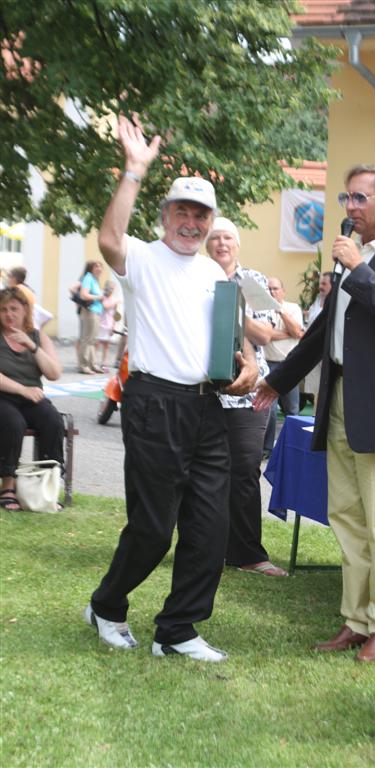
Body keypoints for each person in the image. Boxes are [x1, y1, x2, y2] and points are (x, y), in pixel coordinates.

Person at [84, 115, 258, 663]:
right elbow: (108, 238)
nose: (190, 221)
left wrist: (250, 365)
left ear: (209, 223)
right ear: (164, 217)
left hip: (209, 407)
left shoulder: (216, 274)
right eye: (181, 210)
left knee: (209, 524)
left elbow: (236, 338)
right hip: (154, 402)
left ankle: (177, 630)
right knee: (155, 527)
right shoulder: (142, 257)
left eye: (199, 213)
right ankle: (107, 605)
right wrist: (134, 170)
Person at [254, 164, 375, 662]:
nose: (350, 208)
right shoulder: (345, 260)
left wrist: (359, 269)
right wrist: (278, 381)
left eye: (360, 198)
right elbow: (321, 335)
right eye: (346, 199)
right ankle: (356, 620)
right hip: (336, 404)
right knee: (346, 518)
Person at [205, 217, 288, 578]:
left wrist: (230, 305)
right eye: (215, 238)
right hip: (202, 388)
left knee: (243, 471)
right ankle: (207, 547)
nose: (221, 243)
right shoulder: (193, 276)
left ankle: (249, 553)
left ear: (237, 245)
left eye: (228, 238)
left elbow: (267, 334)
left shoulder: (251, 280)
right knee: (204, 472)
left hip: (247, 391)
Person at [0, 287, 64, 511]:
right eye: (3, 310)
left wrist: (32, 346)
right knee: (12, 423)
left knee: (53, 420)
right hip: (3, 398)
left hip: (31, 399)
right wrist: (22, 389)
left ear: (25, 310)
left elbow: (54, 373)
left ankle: (47, 485)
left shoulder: (38, 336)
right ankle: (8, 486)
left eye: (14, 309)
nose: (9, 314)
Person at [262, 278, 304, 458]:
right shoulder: (262, 309)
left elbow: (298, 332)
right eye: (269, 289)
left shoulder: (293, 308)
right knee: (269, 411)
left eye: (275, 288)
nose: (272, 292)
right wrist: (288, 333)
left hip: (289, 365)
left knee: (292, 409)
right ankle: (267, 449)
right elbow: (264, 336)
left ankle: (291, 449)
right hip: (268, 363)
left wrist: (280, 311)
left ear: (283, 291)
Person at [303, 271, 332, 401]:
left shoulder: (334, 303)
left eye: (324, 284)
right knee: (316, 389)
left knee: (326, 386)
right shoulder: (317, 300)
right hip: (313, 351)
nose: (320, 287)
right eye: (320, 283)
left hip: (327, 351)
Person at [78, 261, 104, 374]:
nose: (99, 268)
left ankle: (92, 364)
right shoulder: (88, 278)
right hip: (90, 311)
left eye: (100, 266)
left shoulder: (94, 279)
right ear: (90, 268)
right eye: (96, 266)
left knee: (93, 340)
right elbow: (84, 295)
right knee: (87, 339)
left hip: (96, 311)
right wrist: (99, 297)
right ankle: (83, 365)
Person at [95, 280, 119, 371]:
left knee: (106, 345)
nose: (111, 290)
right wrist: (116, 302)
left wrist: (114, 325)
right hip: (100, 323)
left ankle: (103, 363)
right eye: (109, 288)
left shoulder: (114, 299)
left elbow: (115, 314)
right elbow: (105, 306)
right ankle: (93, 361)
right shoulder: (102, 297)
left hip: (109, 324)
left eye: (112, 288)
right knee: (97, 343)